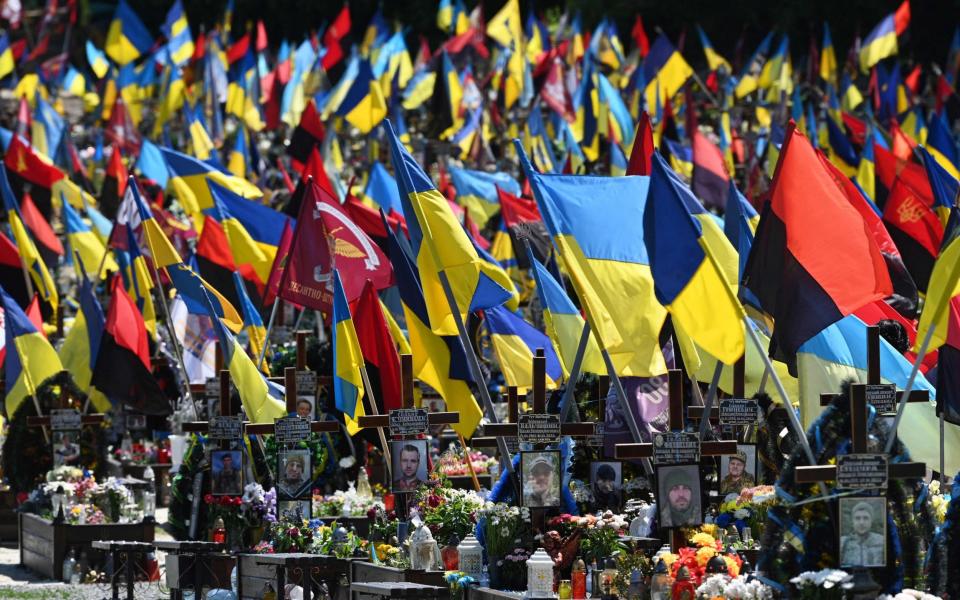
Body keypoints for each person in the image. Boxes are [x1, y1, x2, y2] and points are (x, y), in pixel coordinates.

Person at [840, 502, 885, 567]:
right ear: (852, 521)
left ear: (871, 521)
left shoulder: (882, 541)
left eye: (866, 518)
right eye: (857, 518)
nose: (861, 522)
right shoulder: (842, 542)